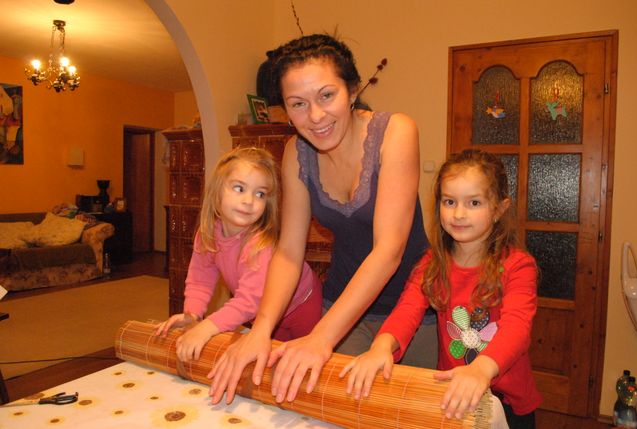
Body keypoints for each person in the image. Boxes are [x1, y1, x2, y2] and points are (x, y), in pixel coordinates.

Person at [208, 33, 434, 405]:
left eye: (327, 95)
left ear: (353, 90)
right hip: (343, 308)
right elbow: (288, 252)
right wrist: (261, 329)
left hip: (413, 309)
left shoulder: (396, 132)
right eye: (298, 104)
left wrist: (320, 338)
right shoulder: (295, 153)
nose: (315, 116)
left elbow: (389, 250)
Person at [340, 149, 541, 428]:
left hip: (508, 402)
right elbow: (407, 310)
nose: (458, 213)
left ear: (499, 209)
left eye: (474, 202)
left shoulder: (518, 266)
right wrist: (381, 347)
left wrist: (481, 370)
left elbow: (516, 328)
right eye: (449, 201)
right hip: (453, 393)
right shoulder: (431, 264)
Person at [154, 146, 322, 363]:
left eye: (260, 194)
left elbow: (248, 301)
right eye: (239, 188)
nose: (249, 200)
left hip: (301, 305)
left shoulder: (260, 246)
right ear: (217, 191)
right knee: (268, 361)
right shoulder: (207, 234)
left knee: (300, 360)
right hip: (261, 312)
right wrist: (192, 314)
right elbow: (200, 280)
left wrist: (207, 327)